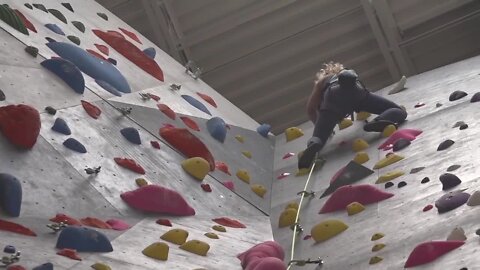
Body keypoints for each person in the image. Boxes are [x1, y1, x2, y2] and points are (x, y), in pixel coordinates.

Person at [298, 62, 407, 169]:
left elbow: (310, 110)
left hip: (332, 101)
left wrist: (321, 127)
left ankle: (313, 145)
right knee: (398, 110)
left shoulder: (321, 82)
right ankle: (380, 120)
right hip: (357, 94)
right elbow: (367, 94)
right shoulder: (346, 74)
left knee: (318, 138)